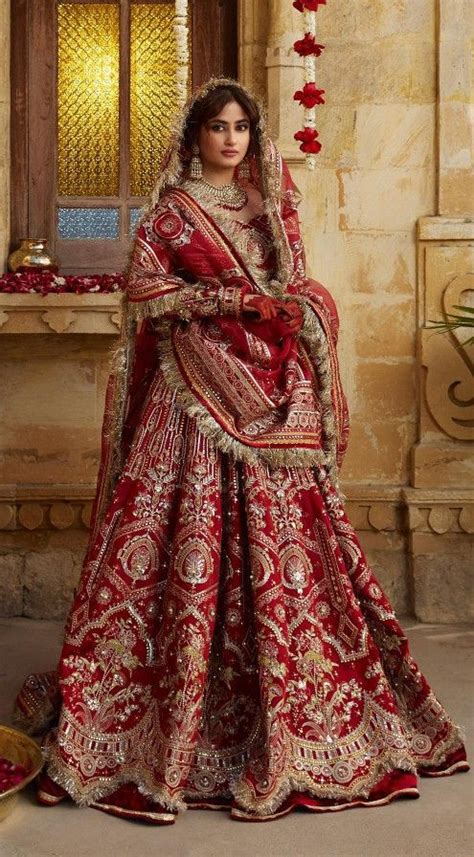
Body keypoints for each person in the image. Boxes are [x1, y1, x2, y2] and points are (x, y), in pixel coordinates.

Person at [19, 78, 468, 824]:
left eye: (241, 128)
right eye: (217, 127)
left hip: (271, 391)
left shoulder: (272, 211)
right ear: (194, 138)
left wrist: (296, 306)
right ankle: (163, 716)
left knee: (292, 547)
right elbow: (144, 292)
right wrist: (225, 302)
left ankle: (294, 712)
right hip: (192, 396)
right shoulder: (172, 213)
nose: (231, 139)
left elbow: (295, 284)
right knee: (182, 540)